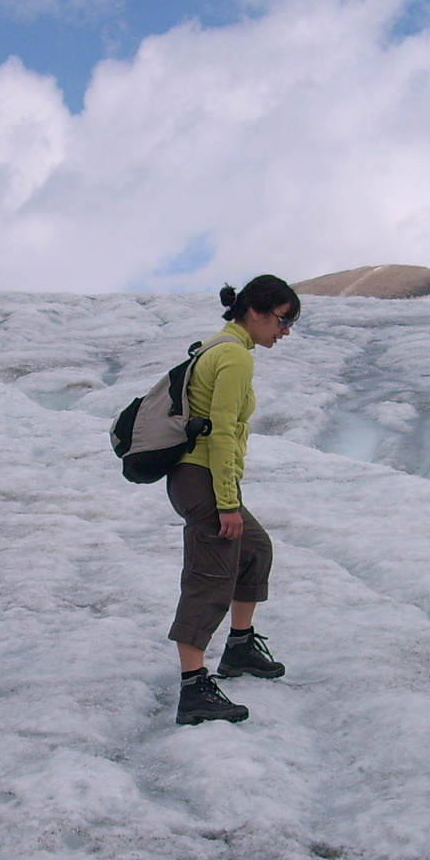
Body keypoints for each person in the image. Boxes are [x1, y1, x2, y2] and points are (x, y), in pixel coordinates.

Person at [167, 274, 300, 725]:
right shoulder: (234, 358)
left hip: (198, 475)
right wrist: (227, 502)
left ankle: (240, 647)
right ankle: (194, 690)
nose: (284, 332)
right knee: (211, 572)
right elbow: (222, 432)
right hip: (202, 477)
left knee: (254, 549)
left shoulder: (222, 347)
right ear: (257, 312)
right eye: (283, 321)